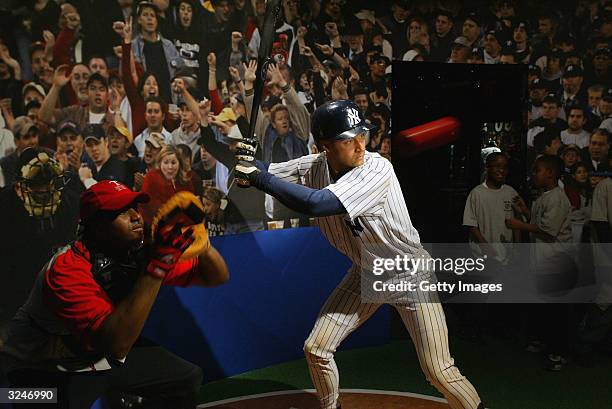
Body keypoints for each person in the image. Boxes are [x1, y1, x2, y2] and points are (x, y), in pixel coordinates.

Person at [233, 100, 484, 409]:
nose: (360, 144)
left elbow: (317, 203)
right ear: (326, 145)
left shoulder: (377, 168)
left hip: (409, 273)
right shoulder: (313, 166)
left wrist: (257, 177)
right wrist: (247, 163)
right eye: (349, 139)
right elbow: (265, 173)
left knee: (439, 371)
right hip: (367, 271)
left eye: (361, 135)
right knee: (317, 348)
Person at [0, 180, 229, 408]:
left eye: (134, 208)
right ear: (97, 226)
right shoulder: (66, 269)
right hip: (35, 370)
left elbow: (216, 276)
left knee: (186, 379)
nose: (136, 216)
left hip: (93, 358)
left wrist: (204, 245)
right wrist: (158, 266)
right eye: (121, 212)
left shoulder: (134, 253)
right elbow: (115, 345)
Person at [0, 148, 79, 326]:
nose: (44, 190)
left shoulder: (70, 204)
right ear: (19, 187)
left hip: (60, 305)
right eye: (37, 183)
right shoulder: (4, 207)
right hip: (13, 305)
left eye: (49, 181)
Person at [463, 152, 519, 265]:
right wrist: (485, 246)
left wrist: (517, 247)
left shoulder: (511, 192)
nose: (501, 171)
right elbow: (471, 224)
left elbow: (517, 222)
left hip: (507, 254)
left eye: (504, 167)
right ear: (487, 168)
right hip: (483, 254)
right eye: (497, 166)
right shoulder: (477, 193)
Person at [140, 144, 197, 226]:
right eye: (166, 162)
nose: (170, 167)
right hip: (152, 227)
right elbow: (154, 207)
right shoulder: (151, 177)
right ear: (160, 163)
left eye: (173, 163)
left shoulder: (185, 180)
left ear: (179, 163)